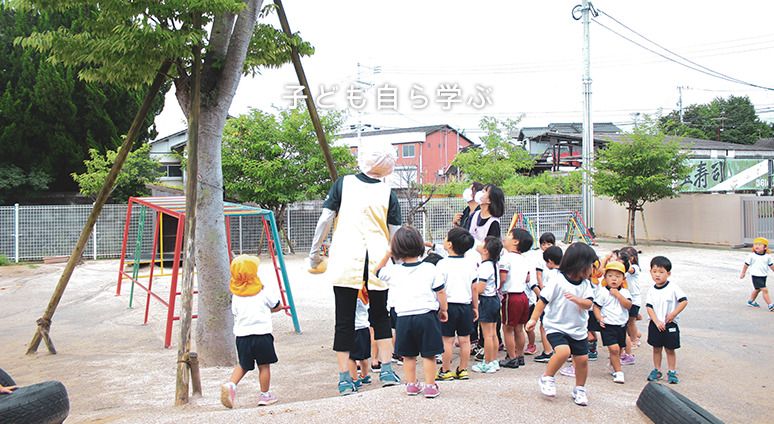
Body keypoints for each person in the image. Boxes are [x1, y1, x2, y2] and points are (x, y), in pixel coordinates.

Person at [307, 139, 402, 395]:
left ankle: (345, 379)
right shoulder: (387, 193)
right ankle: (387, 370)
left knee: (344, 319)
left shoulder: (343, 184)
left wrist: (314, 253)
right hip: (378, 260)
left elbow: (326, 218)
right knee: (380, 316)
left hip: (346, 257)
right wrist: (398, 262)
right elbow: (396, 234)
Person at [376, 226, 448, 398]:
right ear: (420, 246)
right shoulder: (430, 268)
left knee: (408, 355)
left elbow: (377, 271)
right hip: (427, 316)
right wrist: (443, 309)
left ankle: (411, 385)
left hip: (404, 318)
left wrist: (387, 254)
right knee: (429, 354)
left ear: (397, 250)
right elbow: (441, 292)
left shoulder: (394, 271)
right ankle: (430, 386)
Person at [526, 242, 597, 407]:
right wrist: (534, 319)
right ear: (579, 265)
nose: (592, 270)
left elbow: (589, 304)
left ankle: (579, 389)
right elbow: (542, 301)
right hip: (556, 326)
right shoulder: (557, 280)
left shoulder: (586, 285)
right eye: (590, 266)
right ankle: (547, 377)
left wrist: (578, 300)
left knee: (582, 360)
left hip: (578, 329)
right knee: (563, 352)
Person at [221, 255, 284, 409]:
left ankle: (231, 385)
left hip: (242, 336)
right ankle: (265, 395)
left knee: (243, 364)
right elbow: (277, 305)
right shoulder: (263, 291)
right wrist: (271, 310)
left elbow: (236, 312)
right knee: (264, 366)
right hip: (262, 335)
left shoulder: (236, 295)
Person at [434, 227, 477, 381]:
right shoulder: (471, 264)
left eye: (446, 237)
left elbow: (440, 289)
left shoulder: (442, 264)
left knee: (447, 340)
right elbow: (474, 288)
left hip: (448, 306)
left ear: (450, 244)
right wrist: (475, 307)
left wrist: (441, 308)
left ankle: (446, 370)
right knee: (465, 340)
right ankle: (463, 369)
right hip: (465, 306)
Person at [646, 256, 688, 384]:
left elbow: (684, 301)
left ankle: (672, 371)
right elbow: (649, 307)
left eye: (661, 272)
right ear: (650, 272)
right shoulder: (651, 290)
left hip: (670, 324)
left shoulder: (673, 288)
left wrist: (673, 314)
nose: (657, 275)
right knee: (656, 348)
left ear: (668, 274)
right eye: (654, 271)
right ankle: (657, 370)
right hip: (655, 324)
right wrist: (656, 321)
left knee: (670, 349)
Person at [498, 228, 533, 369]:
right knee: (519, 328)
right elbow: (527, 278)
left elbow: (503, 277)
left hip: (511, 296)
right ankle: (520, 356)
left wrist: (498, 287)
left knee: (507, 329)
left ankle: (511, 357)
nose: (505, 237)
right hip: (523, 296)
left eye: (509, 235)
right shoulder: (524, 259)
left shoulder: (506, 258)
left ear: (515, 242)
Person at [593, 261, 633, 384]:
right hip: (608, 325)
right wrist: (599, 318)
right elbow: (596, 307)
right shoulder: (603, 292)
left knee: (620, 348)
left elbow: (628, 305)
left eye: (617, 276)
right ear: (605, 278)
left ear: (623, 278)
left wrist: (618, 295)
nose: (614, 279)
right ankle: (619, 372)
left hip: (621, 325)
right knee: (614, 349)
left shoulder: (625, 292)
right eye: (610, 276)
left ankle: (613, 364)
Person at [471, 236, 504, 373]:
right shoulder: (493, 264)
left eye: (482, 243)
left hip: (486, 300)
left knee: (487, 335)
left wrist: (471, 289)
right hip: (494, 299)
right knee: (493, 333)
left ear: (486, 251)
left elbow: (480, 288)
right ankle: (493, 360)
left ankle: (487, 362)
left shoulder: (485, 267)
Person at [525, 232, 556, 355]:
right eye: (543, 244)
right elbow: (536, 279)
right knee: (543, 323)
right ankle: (547, 350)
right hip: (543, 295)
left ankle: (549, 351)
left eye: (549, 243)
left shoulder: (557, 259)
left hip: (550, 296)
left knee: (547, 325)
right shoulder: (538, 260)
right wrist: (541, 294)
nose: (546, 246)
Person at [534, 245, 562, 363]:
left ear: (550, 261)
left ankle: (547, 351)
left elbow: (546, 294)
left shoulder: (551, 274)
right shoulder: (564, 273)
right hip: (560, 307)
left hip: (550, 305)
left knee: (543, 327)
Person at [621, 246, 642, 365]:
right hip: (627, 298)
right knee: (628, 321)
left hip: (634, 300)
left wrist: (622, 263)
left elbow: (630, 270)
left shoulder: (634, 268)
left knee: (630, 322)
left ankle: (634, 340)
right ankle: (636, 335)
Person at [740, 236, 774, 311]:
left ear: (765, 247)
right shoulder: (752, 256)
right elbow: (746, 265)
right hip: (755, 275)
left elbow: (771, 266)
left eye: (759, 244)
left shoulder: (768, 257)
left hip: (763, 276)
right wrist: (743, 273)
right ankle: (770, 305)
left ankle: (750, 301)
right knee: (764, 290)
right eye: (755, 244)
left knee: (757, 289)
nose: (756, 246)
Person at [349, 287, 373, 388]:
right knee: (364, 356)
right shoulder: (365, 297)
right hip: (364, 327)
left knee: (351, 357)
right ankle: (365, 375)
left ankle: (354, 379)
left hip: (354, 328)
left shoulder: (353, 297)